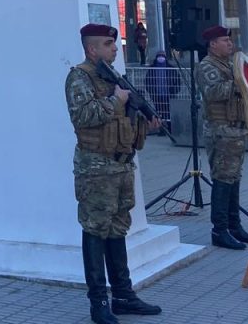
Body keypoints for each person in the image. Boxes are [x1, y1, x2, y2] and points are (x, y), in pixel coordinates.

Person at [65, 23, 162, 322]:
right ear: (92, 48)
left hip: (121, 164)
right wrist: (115, 100)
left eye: (115, 43)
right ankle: (98, 303)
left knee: (118, 228)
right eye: (108, 44)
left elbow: (124, 118)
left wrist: (145, 119)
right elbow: (82, 116)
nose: (115, 48)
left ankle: (123, 295)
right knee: (95, 230)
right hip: (95, 167)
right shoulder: (79, 77)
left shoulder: (115, 77)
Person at [195, 25, 248, 251]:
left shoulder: (229, 65)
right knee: (222, 179)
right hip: (221, 130)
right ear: (212, 44)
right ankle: (219, 230)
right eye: (225, 41)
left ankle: (234, 225)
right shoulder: (207, 66)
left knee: (233, 178)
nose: (230, 44)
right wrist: (240, 81)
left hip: (235, 129)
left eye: (229, 41)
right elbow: (213, 92)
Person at [143, 52, 180, 133]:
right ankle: (162, 129)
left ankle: (170, 129)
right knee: (159, 113)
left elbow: (177, 80)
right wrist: (151, 91)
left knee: (169, 112)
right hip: (156, 95)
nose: (161, 58)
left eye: (162, 56)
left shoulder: (171, 68)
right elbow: (147, 81)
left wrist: (174, 91)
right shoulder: (152, 68)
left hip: (169, 95)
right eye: (159, 56)